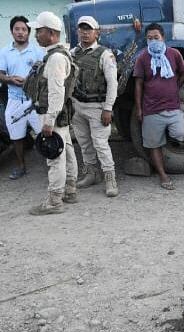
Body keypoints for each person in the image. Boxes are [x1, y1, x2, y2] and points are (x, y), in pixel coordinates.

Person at [24, 11, 78, 215]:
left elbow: (57, 92)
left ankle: (55, 201)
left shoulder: (55, 58)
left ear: (52, 34)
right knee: (68, 150)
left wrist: (48, 121)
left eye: (39, 31)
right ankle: (70, 191)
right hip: (59, 114)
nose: (36, 34)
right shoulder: (60, 54)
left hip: (52, 115)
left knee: (55, 158)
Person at [133, 23, 184, 190]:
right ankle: (163, 175)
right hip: (151, 109)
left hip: (172, 107)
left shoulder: (174, 54)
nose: (153, 41)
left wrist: (175, 87)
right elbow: (138, 85)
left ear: (163, 38)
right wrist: (139, 109)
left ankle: (166, 138)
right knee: (154, 145)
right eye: (149, 38)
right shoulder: (142, 58)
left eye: (156, 37)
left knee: (180, 134)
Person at [70, 16, 119, 197]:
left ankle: (110, 178)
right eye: (81, 29)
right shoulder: (73, 53)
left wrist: (108, 108)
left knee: (100, 144)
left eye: (88, 29)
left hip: (97, 107)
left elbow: (112, 83)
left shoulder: (105, 54)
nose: (84, 33)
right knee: (84, 143)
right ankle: (92, 174)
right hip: (77, 105)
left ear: (96, 32)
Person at [0, 16, 44, 179]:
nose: (20, 32)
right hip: (14, 100)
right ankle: (21, 166)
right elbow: (1, 75)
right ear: (12, 31)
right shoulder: (4, 52)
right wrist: (10, 79)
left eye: (24, 29)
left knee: (44, 133)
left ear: (28, 32)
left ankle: (50, 165)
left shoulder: (37, 51)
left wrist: (29, 81)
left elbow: (43, 74)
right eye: (17, 29)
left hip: (34, 100)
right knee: (16, 136)